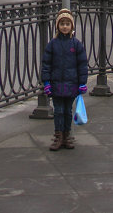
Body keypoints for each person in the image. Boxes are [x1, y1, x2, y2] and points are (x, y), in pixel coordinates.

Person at [41, 8, 88, 151]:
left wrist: (82, 83)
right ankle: (58, 136)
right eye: (62, 24)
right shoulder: (53, 44)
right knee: (58, 111)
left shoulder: (76, 44)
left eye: (68, 24)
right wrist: (47, 82)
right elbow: (46, 65)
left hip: (71, 85)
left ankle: (67, 136)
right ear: (57, 26)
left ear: (72, 26)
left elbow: (82, 65)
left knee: (67, 111)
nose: (65, 26)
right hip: (56, 85)